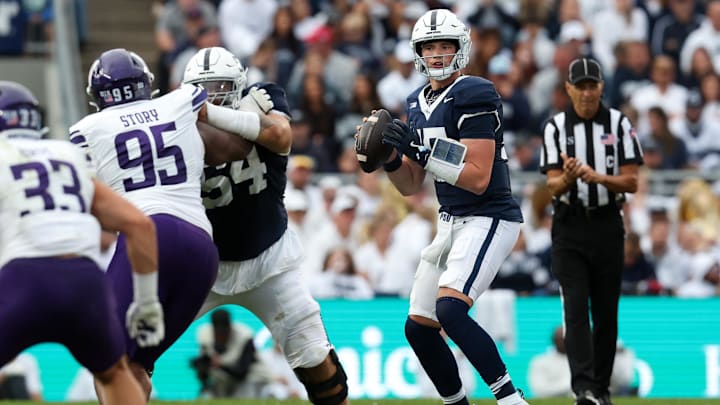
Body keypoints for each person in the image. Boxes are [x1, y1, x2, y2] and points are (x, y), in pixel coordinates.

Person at [69, 47, 275, 398]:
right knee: (132, 366)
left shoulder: (87, 128)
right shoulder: (180, 101)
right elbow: (241, 142)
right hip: (201, 248)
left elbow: (76, 198)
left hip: (149, 238)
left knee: (109, 363)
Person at [181, 46, 350, 405]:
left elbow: (282, 137)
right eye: (203, 88)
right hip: (202, 266)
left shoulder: (263, 98)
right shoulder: (178, 126)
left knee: (317, 360)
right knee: (135, 350)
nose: (212, 96)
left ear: (239, 84)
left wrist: (209, 113)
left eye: (220, 85)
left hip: (270, 259)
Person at [374, 9, 526, 405]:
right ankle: (456, 403)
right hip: (450, 219)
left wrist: (420, 150)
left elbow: (477, 176)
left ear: (461, 49)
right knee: (418, 328)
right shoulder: (414, 101)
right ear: (418, 52)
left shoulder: (476, 91)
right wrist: (390, 159)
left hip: (489, 214)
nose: (438, 54)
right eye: (430, 46)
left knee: (451, 311)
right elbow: (410, 185)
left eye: (445, 46)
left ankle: (511, 399)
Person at [0, 80, 164, 405]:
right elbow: (139, 225)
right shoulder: (68, 155)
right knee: (114, 372)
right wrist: (147, 303)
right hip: (84, 280)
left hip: (25, 279)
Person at [539, 57, 644, 405]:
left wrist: (599, 178)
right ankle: (583, 388)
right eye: (579, 85)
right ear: (568, 89)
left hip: (606, 222)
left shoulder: (618, 123)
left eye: (591, 85)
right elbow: (552, 186)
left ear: (601, 87)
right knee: (574, 309)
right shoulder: (555, 127)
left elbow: (631, 181)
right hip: (569, 224)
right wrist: (569, 177)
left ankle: (601, 387)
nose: (586, 92)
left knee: (605, 310)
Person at [191, 309, 274, 398]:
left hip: (252, 378)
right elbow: (203, 372)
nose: (221, 337)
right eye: (218, 333)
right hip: (224, 380)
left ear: (230, 327)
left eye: (224, 332)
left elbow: (242, 372)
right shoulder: (204, 335)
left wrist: (219, 365)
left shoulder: (244, 335)